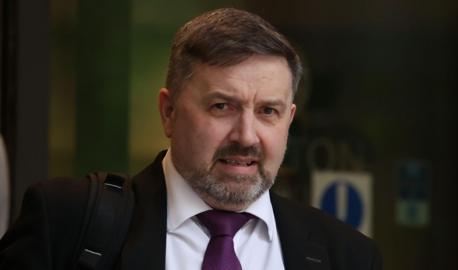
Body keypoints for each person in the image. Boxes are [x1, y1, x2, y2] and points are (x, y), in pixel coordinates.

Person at [0, 8, 382, 270]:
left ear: (289, 119)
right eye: (221, 107)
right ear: (169, 112)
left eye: (268, 111)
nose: (246, 136)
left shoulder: (347, 256)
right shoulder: (66, 222)